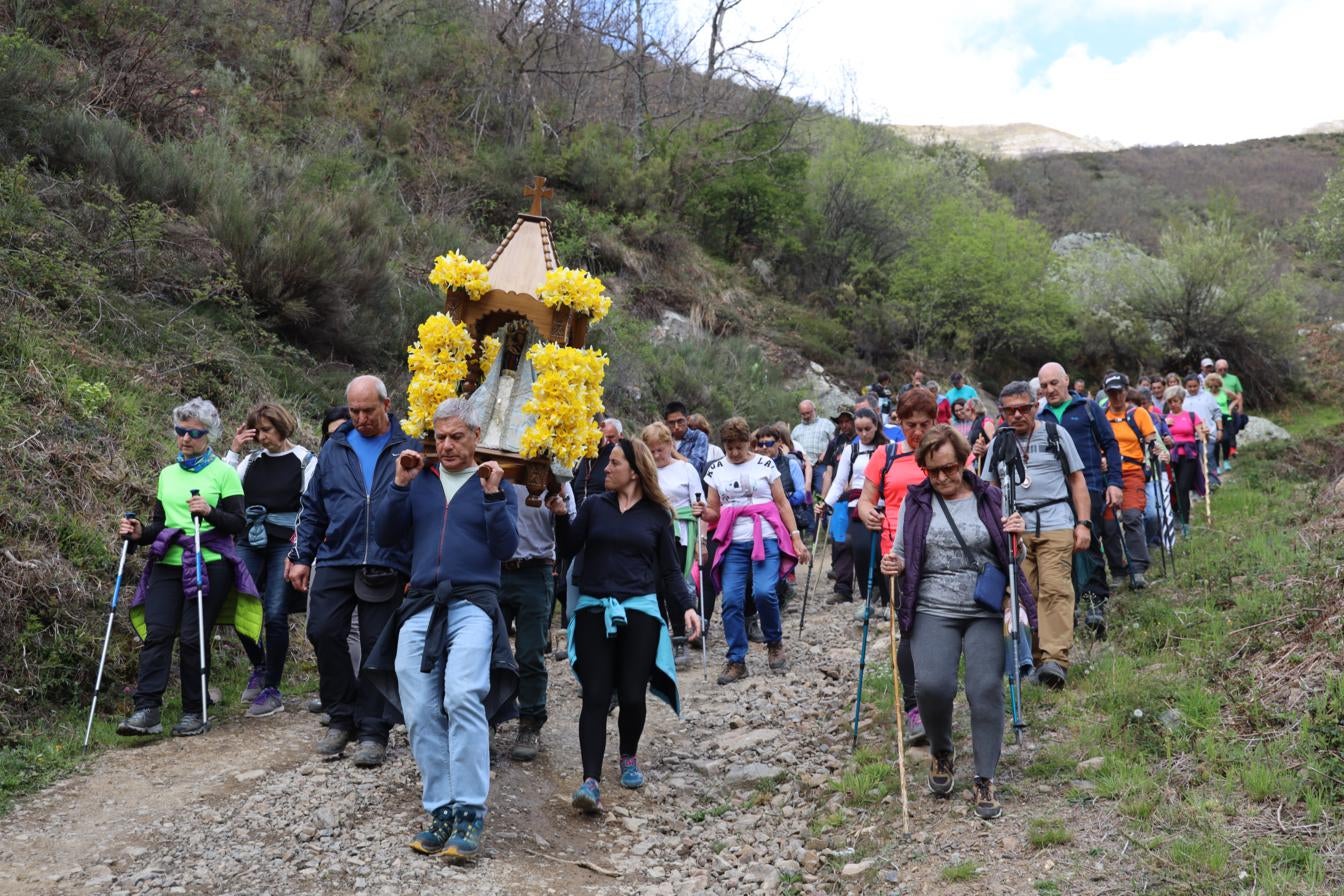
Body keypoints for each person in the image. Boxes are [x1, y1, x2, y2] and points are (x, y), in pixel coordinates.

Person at [367, 398, 520, 860]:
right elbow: (386, 535)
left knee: (462, 695)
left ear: (476, 437)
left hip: (474, 602)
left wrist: (493, 496)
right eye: (440, 437)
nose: (447, 445)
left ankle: (470, 812)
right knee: (417, 707)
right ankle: (441, 811)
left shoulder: (497, 483)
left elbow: (506, 547)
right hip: (421, 603)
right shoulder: (418, 481)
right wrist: (397, 484)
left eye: (457, 436)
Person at [880, 425, 1034, 820]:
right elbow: (900, 552)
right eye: (933, 471)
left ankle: (985, 778)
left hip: (982, 605)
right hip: (933, 605)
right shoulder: (917, 503)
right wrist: (892, 565)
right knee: (932, 685)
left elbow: (1015, 553)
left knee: (985, 688)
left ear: (964, 462)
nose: (942, 478)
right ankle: (942, 750)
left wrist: (1021, 533)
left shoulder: (990, 497)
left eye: (948, 468)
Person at [558, 438, 702, 812]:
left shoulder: (657, 515)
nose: (606, 468)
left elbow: (670, 571)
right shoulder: (592, 507)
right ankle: (590, 781)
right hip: (593, 609)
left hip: (640, 610)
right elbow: (569, 547)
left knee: (634, 695)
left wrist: (687, 607)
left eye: (614, 463)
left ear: (635, 471)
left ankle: (628, 756)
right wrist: (559, 515)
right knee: (596, 695)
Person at [288, 375, 416, 766]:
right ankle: (341, 717)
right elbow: (314, 507)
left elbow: (422, 508)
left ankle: (374, 730)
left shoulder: (408, 445)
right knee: (323, 630)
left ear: (387, 405)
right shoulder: (335, 447)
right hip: (337, 555)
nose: (360, 418)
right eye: (354, 411)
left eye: (368, 410)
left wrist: (417, 564)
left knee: (378, 645)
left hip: (387, 558)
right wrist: (302, 555)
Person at [115, 398, 261, 737]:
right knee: (158, 633)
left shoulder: (224, 474)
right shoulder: (167, 474)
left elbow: (238, 523)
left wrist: (210, 512)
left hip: (210, 563)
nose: (185, 439)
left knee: (194, 637)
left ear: (208, 435)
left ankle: (194, 711)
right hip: (168, 562)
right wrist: (139, 534)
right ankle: (147, 710)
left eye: (193, 433)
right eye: (181, 431)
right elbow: (159, 524)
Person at [986, 382, 1091, 687]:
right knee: (1024, 595)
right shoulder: (998, 444)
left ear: (1035, 406)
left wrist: (1083, 523)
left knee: (1056, 589)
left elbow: (1077, 480)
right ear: (1002, 412)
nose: (1017, 415)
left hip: (1056, 522)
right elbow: (990, 490)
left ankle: (1055, 659)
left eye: (1023, 408)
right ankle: (1030, 659)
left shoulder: (1057, 435)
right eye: (1010, 410)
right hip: (1015, 530)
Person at [855, 386, 937, 745]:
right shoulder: (885, 456)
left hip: (944, 555)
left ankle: (938, 696)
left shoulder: (947, 452)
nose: (917, 432)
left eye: (924, 424)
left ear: (935, 421)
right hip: (897, 557)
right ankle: (913, 706)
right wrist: (867, 514)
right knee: (909, 630)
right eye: (910, 424)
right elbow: (865, 500)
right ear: (898, 422)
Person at [224, 402, 317, 717]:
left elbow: (310, 512)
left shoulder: (304, 461)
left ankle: (272, 688)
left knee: (275, 613)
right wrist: (235, 449)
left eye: (267, 430)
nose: (262, 437)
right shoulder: (250, 461)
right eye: (257, 431)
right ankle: (259, 665)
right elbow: (221, 488)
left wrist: (298, 551)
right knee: (238, 603)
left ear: (282, 426)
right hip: (250, 539)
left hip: (285, 543)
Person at [704, 417, 809, 684]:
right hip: (734, 542)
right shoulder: (716, 469)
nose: (735, 453)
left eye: (739, 447)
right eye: (730, 448)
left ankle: (774, 643)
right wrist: (703, 512)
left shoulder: (765, 464)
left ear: (748, 442)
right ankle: (737, 659)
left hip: (766, 536)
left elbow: (782, 503)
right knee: (731, 600)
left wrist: (795, 538)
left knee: (763, 591)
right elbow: (714, 510)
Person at [1037, 362, 1123, 626]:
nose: (1049, 389)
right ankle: (1071, 603)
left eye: (1054, 383)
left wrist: (1115, 482)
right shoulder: (1041, 418)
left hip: (1092, 485)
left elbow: (1109, 444)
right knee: (1064, 547)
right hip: (1055, 494)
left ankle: (1096, 601)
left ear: (1066, 380)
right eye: (1044, 386)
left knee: (1088, 542)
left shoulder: (1088, 408)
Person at [498, 473, 574, 761]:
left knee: (530, 652)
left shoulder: (555, 474)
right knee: (489, 650)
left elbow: (569, 538)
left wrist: (562, 512)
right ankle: (490, 718)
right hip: (494, 569)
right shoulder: (496, 469)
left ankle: (530, 721)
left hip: (535, 569)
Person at [642, 422, 704, 668]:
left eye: (661, 449)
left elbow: (698, 506)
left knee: (673, 584)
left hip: (681, 533)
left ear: (670, 445)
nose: (657, 455)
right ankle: (659, 639)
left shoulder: (686, 469)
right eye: (652, 451)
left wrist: (702, 542)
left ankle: (679, 638)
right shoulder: (645, 471)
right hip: (651, 534)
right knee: (653, 586)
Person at [820, 409, 888, 606]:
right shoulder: (851, 449)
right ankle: (868, 597)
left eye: (868, 429)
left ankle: (886, 600)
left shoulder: (888, 448)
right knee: (860, 549)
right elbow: (840, 481)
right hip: (856, 504)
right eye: (859, 429)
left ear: (876, 426)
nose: (864, 434)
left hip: (882, 504)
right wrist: (826, 503)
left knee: (881, 551)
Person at [1162, 387, 1208, 536]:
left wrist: (1204, 433)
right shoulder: (1165, 419)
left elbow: (1200, 432)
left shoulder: (1191, 416)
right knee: (1173, 489)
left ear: (1181, 401)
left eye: (1175, 401)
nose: (1173, 404)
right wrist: (1164, 425)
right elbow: (1160, 438)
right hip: (1171, 456)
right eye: (1170, 402)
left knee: (1182, 488)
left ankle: (1185, 524)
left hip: (1188, 456)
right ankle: (1177, 515)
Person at [1182, 373, 1223, 487]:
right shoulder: (1182, 398)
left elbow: (1217, 412)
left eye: (1195, 386)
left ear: (1199, 384)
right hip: (1189, 435)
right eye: (1190, 386)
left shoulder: (1207, 396)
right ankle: (1198, 485)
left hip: (1207, 432)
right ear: (1185, 386)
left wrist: (1220, 429)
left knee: (1208, 456)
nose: (1192, 389)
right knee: (1193, 461)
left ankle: (1213, 483)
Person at [665, 402, 707, 477]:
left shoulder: (698, 436)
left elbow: (696, 467)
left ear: (687, 419)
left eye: (680, 421)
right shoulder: (663, 439)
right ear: (666, 423)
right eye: (671, 423)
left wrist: (672, 452)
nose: (676, 427)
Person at [791, 399, 835, 471]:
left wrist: (826, 453)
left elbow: (836, 443)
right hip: (802, 466)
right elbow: (790, 448)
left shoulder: (826, 424)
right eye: (803, 414)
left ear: (814, 410)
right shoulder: (796, 430)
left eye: (808, 413)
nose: (806, 416)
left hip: (821, 464)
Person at [1203, 373, 1234, 473]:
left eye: (1216, 384)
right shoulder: (1205, 394)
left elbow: (1236, 398)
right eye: (1211, 384)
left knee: (1226, 439)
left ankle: (1226, 460)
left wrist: (1230, 408)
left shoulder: (1224, 392)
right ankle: (1216, 465)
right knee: (1215, 441)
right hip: (1212, 419)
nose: (1214, 386)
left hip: (1225, 417)